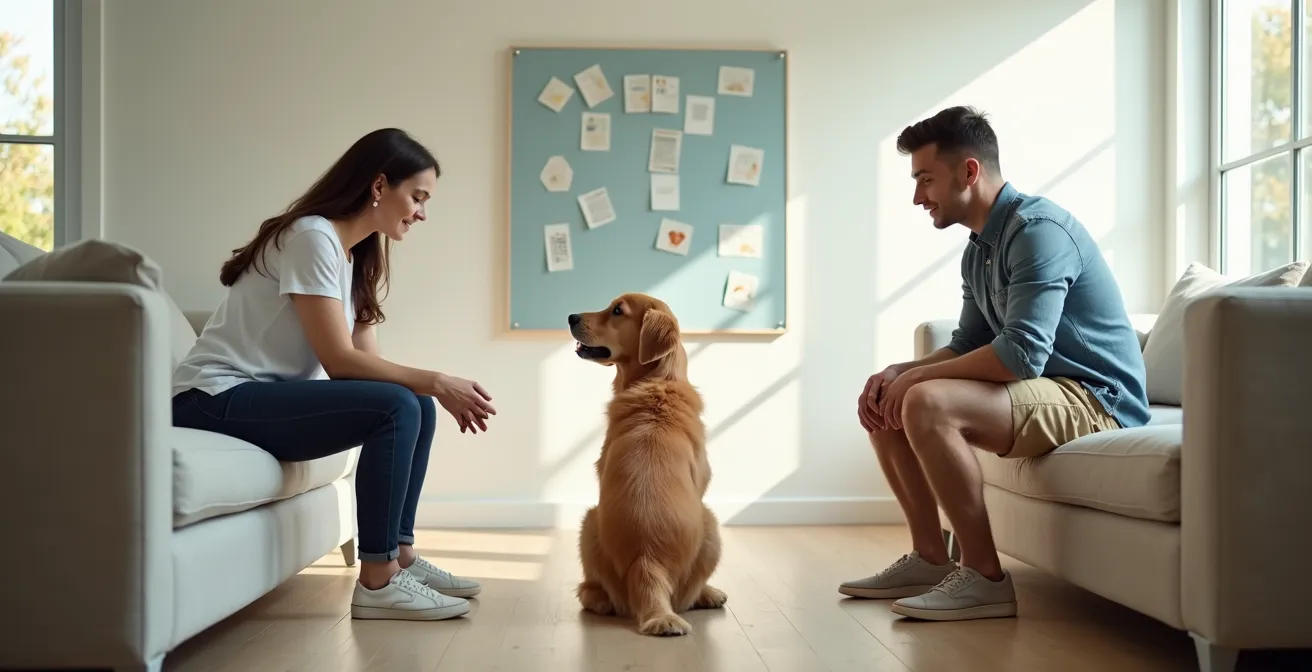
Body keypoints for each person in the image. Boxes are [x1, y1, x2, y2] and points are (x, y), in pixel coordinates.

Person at [171, 128, 498, 622]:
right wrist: (437, 378)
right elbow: (340, 361)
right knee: (403, 402)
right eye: (417, 197)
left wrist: (428, 387)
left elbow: (371, 369)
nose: (422, 213)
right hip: (212, 397)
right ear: (378, 185)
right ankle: (377, 581)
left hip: (257, 398)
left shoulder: (357, 254)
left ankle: (399, 557)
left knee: (413, 403)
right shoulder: (311, 236)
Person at [838, 106, 1149, 621]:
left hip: (1097, 398)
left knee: (925, 400)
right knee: (888, 401)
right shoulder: (979, 248)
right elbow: (966, 344)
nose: (918, 196)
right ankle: (930, 559)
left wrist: (916, 379)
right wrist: (896, 372)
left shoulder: (1039, 232)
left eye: (925, 179)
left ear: (969, 172)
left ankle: (984, 578)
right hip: (1048, 387)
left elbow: (1021, 355)